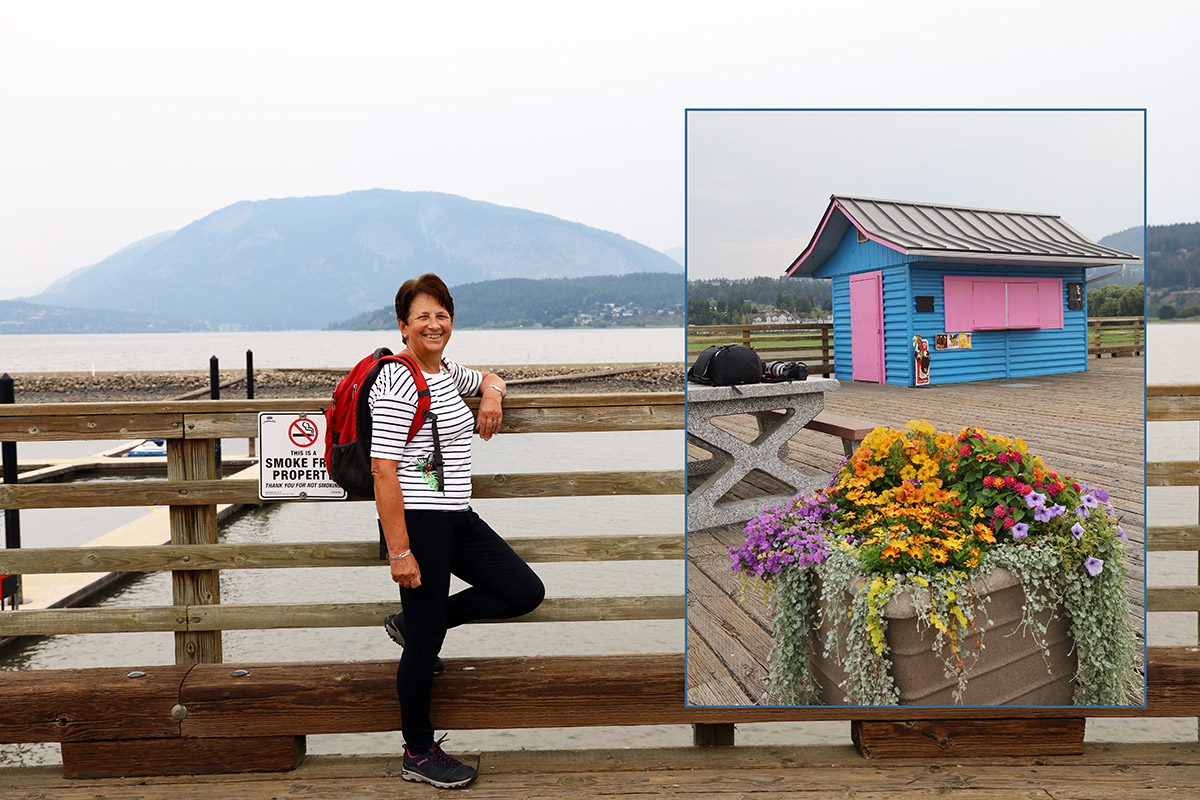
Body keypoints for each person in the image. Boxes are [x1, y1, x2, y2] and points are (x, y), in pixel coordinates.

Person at [370, 273, 545, 790]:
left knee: (522, 590)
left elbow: (491, 377)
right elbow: (384, 468)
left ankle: (417, 621)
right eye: (422, 316)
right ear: (403, 326)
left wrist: (490, 394)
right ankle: (417, 753)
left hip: (457, 515)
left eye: (442, 315)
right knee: (423, 647)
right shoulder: (398, 379)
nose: (433, 323)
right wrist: (400, 550)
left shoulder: (445, 372)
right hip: (420, 524)